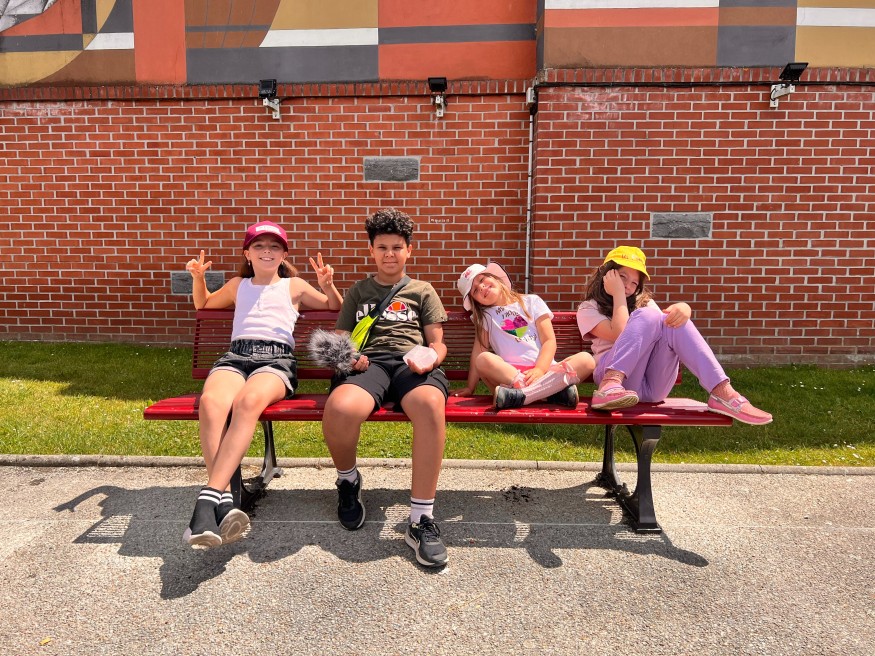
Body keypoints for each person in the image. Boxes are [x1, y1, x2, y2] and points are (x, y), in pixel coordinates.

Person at [183, 220, 343, 547]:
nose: (266, 251)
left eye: (274, 246)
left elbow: (335, 307)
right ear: (247, 253)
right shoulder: (237, 285)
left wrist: (328, 285)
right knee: (212, 403)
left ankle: (207, 502)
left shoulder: (294, 286)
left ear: (284, 255)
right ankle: (225, 502)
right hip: (236, 357)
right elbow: (204, 304)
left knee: (247, 402)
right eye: (259, 246)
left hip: (276, 361)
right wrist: (198, 279)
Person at [322, 208, 450, 568]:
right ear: (371, 250)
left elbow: (437, 343)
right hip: (371, 364)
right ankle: (348, 481)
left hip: (412, 363)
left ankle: (421, 519)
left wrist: (430, 357)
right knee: (342, 407)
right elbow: (340, 340)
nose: (390, 254)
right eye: (382, 247)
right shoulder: (358, 291)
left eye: (397, 247)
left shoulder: (422, 290)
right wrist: (349, 358)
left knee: (429, 404)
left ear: (409, 250)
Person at [575, 245, 772, 425]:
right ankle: (611, 382)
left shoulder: (644, 304)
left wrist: (683, 309)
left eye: (634, 282)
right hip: (615, 381)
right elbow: (619, 332)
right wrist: (618, 294)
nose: (627, 286)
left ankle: (723, 392)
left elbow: (666, 326)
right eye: (622, 277)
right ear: (606, 274)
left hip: (653, 387)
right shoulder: (589, 308)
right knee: (650, 315)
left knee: (672, 321)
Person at [453, 262, 595, 410]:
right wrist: (470, 387)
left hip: (546, 370)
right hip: (511, 376)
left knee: (587, 360)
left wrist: (540, 369)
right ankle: (552, 393)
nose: (482, 287)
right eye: (475, 290)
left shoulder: (532, 301)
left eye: (482, 279)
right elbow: (479, 351)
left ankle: (522, 396)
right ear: (476, 301)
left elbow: (549, 340)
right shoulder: (485, 316)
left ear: (495, 277)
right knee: (483, 359)